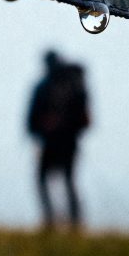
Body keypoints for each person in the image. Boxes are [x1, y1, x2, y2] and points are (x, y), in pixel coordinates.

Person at [27, 51, 90, 230]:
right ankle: (74, 220)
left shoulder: (45, 85)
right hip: (70, 141)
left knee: (43, 179)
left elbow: (32, 115)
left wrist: (37, 131)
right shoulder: (75, 83)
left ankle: (51, 219)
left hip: (51, 141)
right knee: (69, 179)